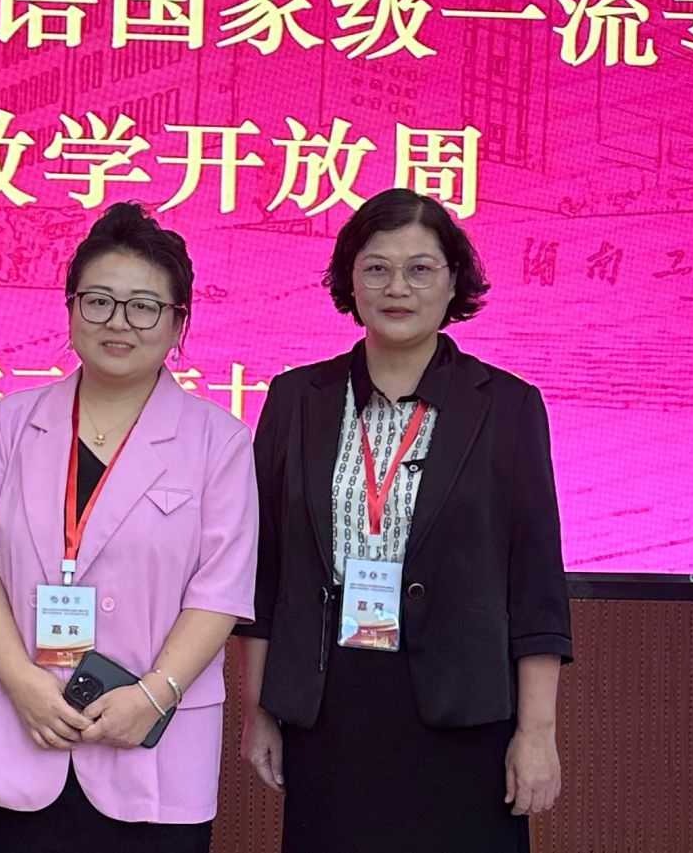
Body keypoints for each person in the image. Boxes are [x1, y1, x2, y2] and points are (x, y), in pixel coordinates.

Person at [237, 189, 571, 853]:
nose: (397, 287)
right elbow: (264, 572)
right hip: (328, 707)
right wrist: (258, 709)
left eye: (420, 269)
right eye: (376, 268)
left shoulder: (506, 406)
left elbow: (535, 584)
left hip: (461, 712)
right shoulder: (296, 398)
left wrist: (538, 732)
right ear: (349, 280)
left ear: (453, 282)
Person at [0, 202, 257, 852]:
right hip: (29, 723)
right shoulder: (14, 422)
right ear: (71, 310)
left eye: (144, 306)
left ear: (178, 323)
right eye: (98, 301)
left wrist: (154, 694)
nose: (118, 322)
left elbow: (221, 589)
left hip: (154, 738)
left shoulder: (218, 440)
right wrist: (19, 679)